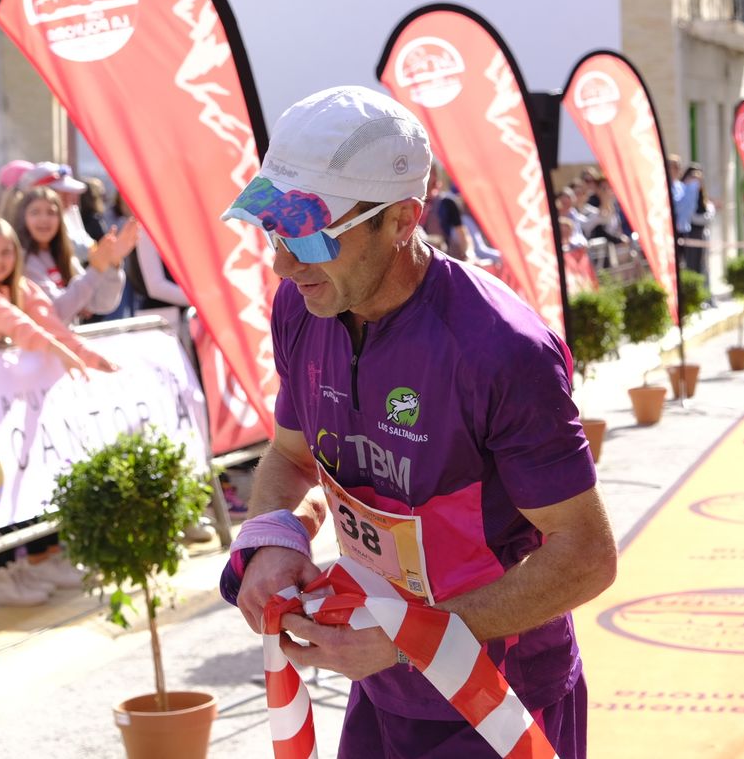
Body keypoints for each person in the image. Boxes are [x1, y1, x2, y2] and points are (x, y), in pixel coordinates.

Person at [218, 86, 616, 758]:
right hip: (383, 689)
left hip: (500, 697)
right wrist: (277, 534)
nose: (284, 264)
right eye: (273, 229)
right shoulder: (303, 307)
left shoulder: (502, 349)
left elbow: (586, 555)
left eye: (310, 235)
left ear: (403, 218)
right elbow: (291, 460)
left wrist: (415, 634)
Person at [0, 217, 116, 604]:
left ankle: (26, 565)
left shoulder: (21, 286)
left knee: (22, 479)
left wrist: (87, 355)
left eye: (6, 252)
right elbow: (14, 322)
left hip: (9, 405)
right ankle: (0, 574)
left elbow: (49, 322)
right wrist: (62, 352)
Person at [10, 186, 135, 325]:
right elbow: (55, 311)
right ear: (23, 218)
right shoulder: (22, 262)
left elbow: (101, 303)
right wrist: (96, 270)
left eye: (51, 212)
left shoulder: (64, 257)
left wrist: (113, 263)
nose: (44, 219)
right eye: (35, 212)